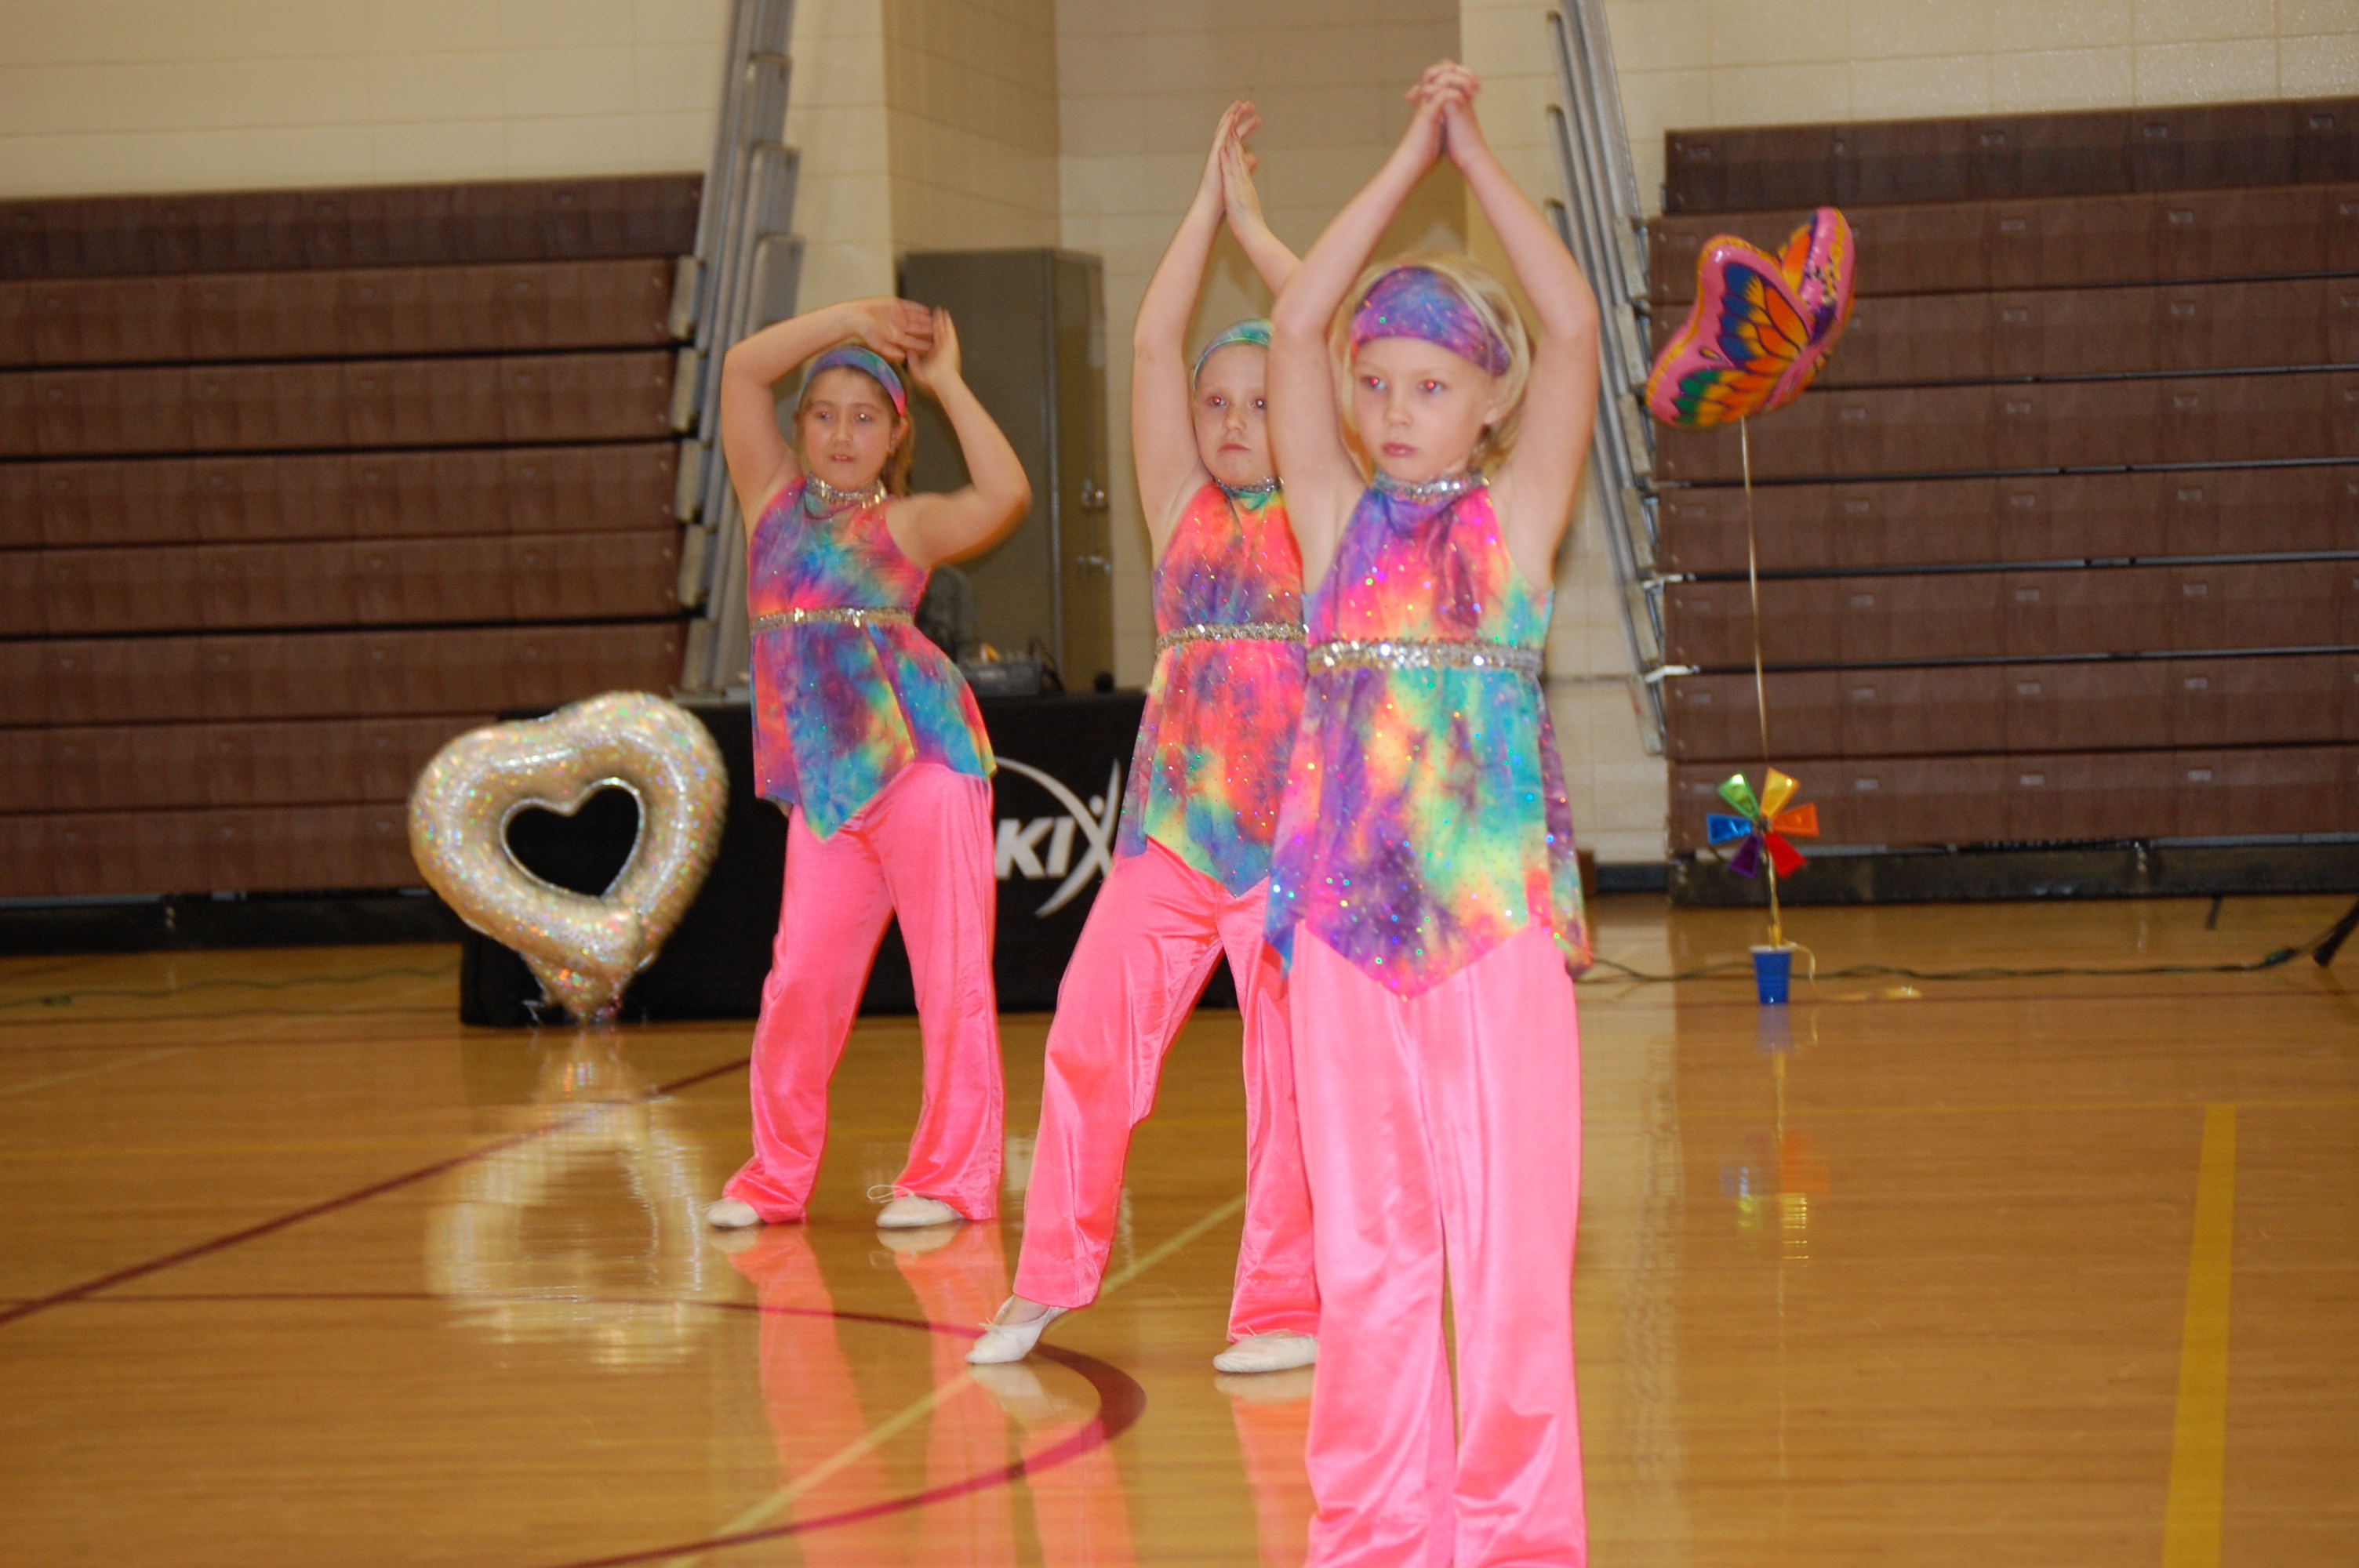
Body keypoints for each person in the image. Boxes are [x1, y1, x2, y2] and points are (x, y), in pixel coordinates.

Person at [1262, 62, 1598, 1566]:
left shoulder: (1515, 521)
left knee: (1511, 1259)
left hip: (1490, 933)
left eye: (1432, 385)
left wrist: (1472, 152)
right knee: (1367, 1260)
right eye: (1377, 383)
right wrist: (1404, 156)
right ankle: (1374, 1534)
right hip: (1344, 936)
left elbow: (1573, 324)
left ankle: (1515, 1537)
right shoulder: (1328, 522)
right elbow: (1291, 325)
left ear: (1491, 401)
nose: (1395, 411)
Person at [968, 103, 1318, 1374]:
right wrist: (1203, 210)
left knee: (1290, 1080)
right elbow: (1152, 337)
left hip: (1288, 842)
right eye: (1214, 402)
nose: (1229, 419)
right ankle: (1045, 1280)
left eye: (1259, 401)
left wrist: (1258, 231)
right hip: (1170, 834)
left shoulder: (1327, 508)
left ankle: (1283, 1306)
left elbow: (1324, 330)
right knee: (1087, 1036)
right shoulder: (1179, 504)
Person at [703, 297, 1030, 1233]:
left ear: (893, 438)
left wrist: (946, 382)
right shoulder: (768, 499)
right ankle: (774, 1177)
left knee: (950, 976)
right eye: (822, 414)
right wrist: (847, 319)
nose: (841, 435)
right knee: (800, 979)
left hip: (924, 763)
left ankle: (952, 1176)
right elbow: (740, 368)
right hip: (829, 791)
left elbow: (1004, 493)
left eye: (863, 418)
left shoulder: (907, 524)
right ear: (799, 428)